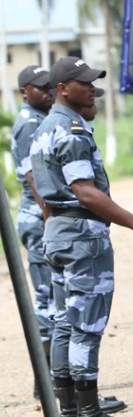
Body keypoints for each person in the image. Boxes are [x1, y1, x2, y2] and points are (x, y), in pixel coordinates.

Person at [32, 57, 133, 417]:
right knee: (85, 327)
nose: (92, 88)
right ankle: (89, 416)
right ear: (63, 88)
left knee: (63, 324)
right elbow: (86, 192)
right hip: (81, 236)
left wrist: (57, 228)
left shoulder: (46, 128)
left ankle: (71, 414)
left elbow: (41, 191)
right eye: (84, 82)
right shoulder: (72, 130)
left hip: (58, 230)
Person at [12, 65, 55, 390]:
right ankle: (47, 379)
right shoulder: (29, 124)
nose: (48, 91)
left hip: (41, 216)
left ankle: (55, 375)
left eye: (50, 86)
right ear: (25, 91)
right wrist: (50, 216)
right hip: (38, 217)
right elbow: (34, 177)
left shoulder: (40, 119)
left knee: (53, 295)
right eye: (41, 87)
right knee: (46, 298)